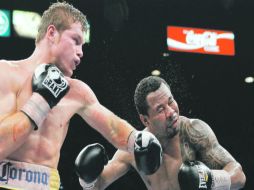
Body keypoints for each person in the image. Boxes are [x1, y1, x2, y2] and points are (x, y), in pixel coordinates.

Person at [0, 2, 162, 190]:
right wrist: (41, 101)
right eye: (75, 40)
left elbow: (112, 127)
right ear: (52, 33)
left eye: (83, 45)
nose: (81, 52)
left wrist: (139, 140)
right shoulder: (6, 74)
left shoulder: (77, 91)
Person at [76, 76, 246, 190]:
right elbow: (97, 185)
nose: (171, 112)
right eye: (160, 109)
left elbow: (239, 175)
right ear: (145, 120)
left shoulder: (193, 131)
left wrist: (211, 180)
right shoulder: (135, 149)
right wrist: (86, 177)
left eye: (171, 101)